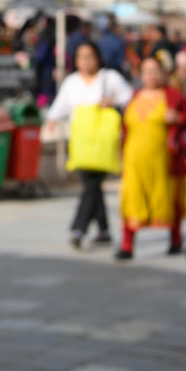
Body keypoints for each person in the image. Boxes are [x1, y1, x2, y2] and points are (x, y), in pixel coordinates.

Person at [43, 38, 131, 248]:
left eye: (90, 56)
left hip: (102, 140)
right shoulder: (72, 81)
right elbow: (60, 106)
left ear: (98, 58)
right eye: (82, 57)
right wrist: (52, 121)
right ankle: (103, 230)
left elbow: (129, 96)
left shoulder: (110, 78)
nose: (86, 61)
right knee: (93, 185)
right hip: (81, 140)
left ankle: (78, 227)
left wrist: (112, 101)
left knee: (91, 184)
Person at [116, 55, 186, 258]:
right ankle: (127, 245)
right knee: (132, 199)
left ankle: (175, 240)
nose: (151, 75)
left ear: (163, 73)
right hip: (134, 161)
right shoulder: (134, 97)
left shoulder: (173, 96)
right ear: (141, 74)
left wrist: (178, 118)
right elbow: (125, 129)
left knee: (170, 198)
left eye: (155, 70)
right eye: (147, 71)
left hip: (165, 161)